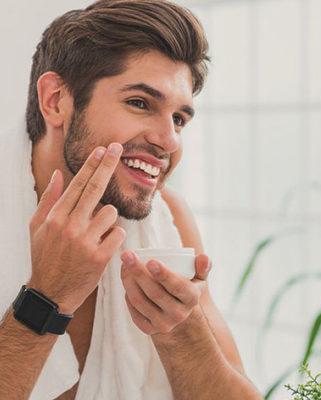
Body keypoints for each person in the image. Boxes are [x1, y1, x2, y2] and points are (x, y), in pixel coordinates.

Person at [0, 1, 261, 399]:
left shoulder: (168, 219)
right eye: (140, 103)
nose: (170, 141)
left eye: (179, 119)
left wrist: (181, 331)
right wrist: (44, 299)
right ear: (55, 100)